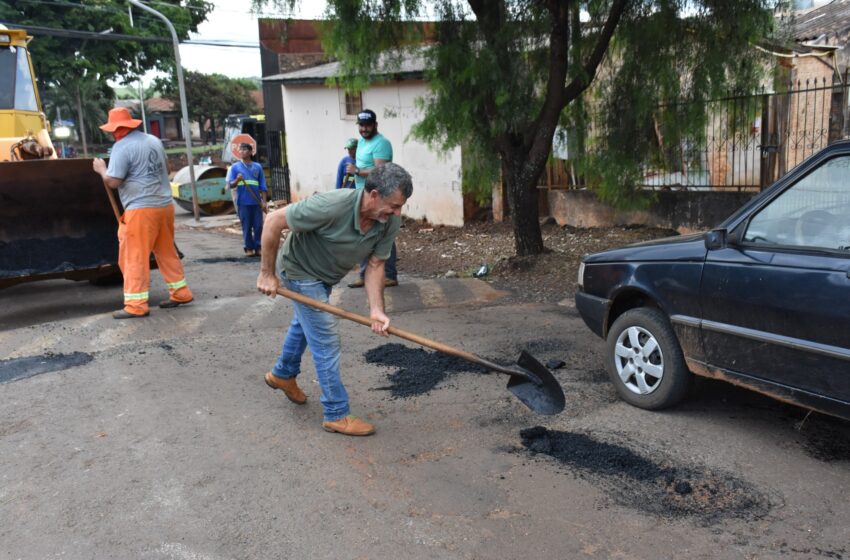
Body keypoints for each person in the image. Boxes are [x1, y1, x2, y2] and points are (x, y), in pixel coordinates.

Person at [256, 163, 413, 436]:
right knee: (325, 336)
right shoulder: (332, 205)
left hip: (326, 275)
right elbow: (273, 221)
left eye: (401, 207)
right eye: (394, 205)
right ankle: (336, 413)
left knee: (304, 325)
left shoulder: (388, 220)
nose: (397, 213)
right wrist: (266, 274)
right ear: (373, 194)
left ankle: (283, 374)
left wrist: (376, 310)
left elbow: (376, 264)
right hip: (299, 270)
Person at [92, 107, 194, 319]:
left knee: (134, 257)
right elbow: (166, 170)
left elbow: (114, 181)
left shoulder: (121, 147)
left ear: (117, 129)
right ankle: (181, 293)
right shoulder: (153, 140)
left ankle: (136, 305)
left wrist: (101, 169)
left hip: (141, 210)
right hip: (165, 206)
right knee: (166, 251)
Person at [344, 109, 399, 288]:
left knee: (383, 233)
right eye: (361, 125)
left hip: (380, 196)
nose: (364, 129)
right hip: (363, 194)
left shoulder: (381, 143)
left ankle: (389, 275)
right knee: (363, 232)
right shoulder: (361, 142)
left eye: (368, 125)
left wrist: (358, 171)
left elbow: (380, 170)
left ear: (375, 125)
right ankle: (364, 274)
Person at [226, 142, 268, 257]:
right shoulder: (235, 167)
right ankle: (249, 248)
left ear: (250, 152)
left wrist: (264, 202)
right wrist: (237, 180)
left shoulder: (257, 167)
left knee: (258, 226)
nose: (241, 152)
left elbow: (263, 186)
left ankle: (258, 247)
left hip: (256, 202)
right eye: (240, 150)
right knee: (246, 226)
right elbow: (231, 185)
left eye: (244, 150)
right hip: (243, 202)